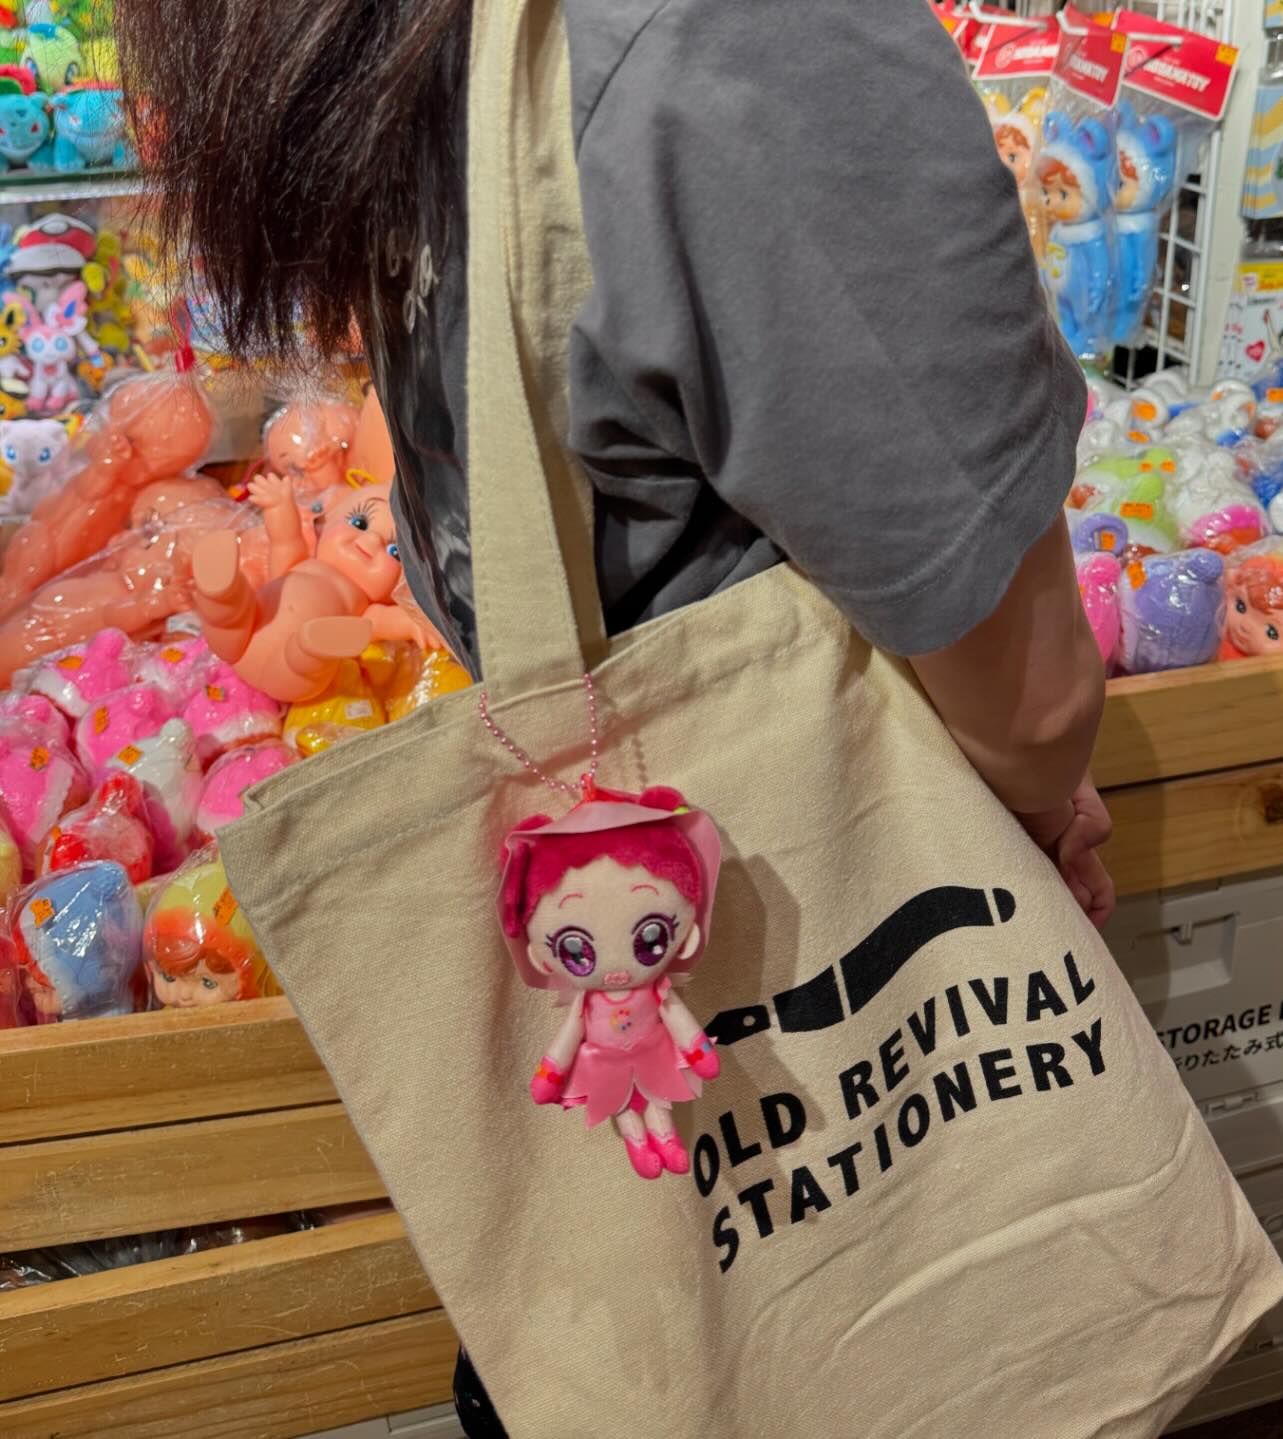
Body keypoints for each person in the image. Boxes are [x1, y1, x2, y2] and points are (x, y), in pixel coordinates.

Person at [115, 3, 1115, 1433]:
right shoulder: (741, 38)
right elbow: (1025, 693)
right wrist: (1034, 809)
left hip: (634, 1188)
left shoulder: (441, 42)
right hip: (853, 1107)